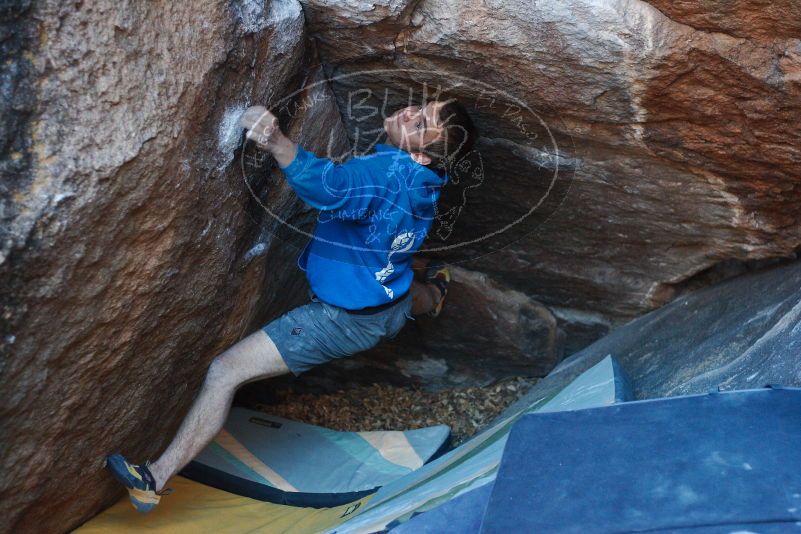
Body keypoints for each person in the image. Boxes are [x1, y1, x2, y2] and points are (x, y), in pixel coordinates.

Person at [106, 96, 476, 512]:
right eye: (421, 106)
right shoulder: (427, 182)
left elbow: (329, 187)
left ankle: (152, 480)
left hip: (339, 321)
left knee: (225, 372)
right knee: (406, 289)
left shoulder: (385, 173)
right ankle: (437, 292)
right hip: (386, 301)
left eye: (421, 121)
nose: (410, 111)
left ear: (420, 154)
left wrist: (276, 140)